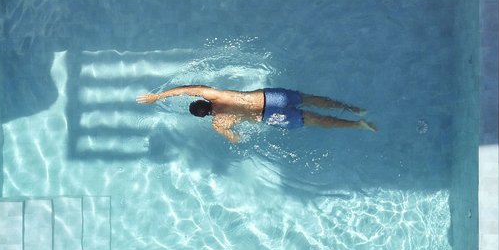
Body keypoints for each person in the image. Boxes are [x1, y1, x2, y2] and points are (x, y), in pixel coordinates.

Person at [137, 85, 375, 144]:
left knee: (315, 121)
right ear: (203, 100)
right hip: (268, 98)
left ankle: (357, 125)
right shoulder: (217, 94)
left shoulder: (219, 122)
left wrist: (234, 133)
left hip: (269, 118)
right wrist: (156, 97)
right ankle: (353, 109)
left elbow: (237, 140)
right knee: (311, 100)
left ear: (204, 116)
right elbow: (186, 89)